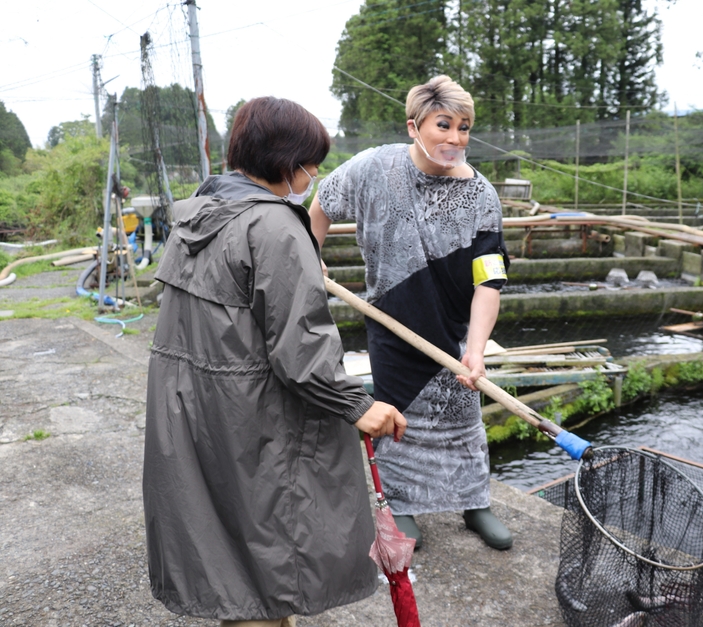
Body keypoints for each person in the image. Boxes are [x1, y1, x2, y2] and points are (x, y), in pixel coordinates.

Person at [142, 97, 407, 627]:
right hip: (250, 419)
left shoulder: (200, 213)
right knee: (269, 552)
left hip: (192, 408)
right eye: (310, 164)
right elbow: (300, 349)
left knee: (227, 549)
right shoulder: (275, 226)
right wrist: (358, 405)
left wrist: (303, 261)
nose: (313, 176)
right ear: (286, 161)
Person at [308, 75, 512, 551]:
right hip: (391, 318)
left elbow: (489, 280)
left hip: (452, 326)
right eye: (444, 125)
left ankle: (474, 502)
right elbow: (322, 202)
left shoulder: (481, 196)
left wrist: (476, 350)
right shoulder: (373, 168)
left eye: (464, 128)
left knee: (464, 416)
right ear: (414, 127)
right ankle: (399, 504)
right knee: (396, 415)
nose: (455, 138)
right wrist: (309, 252)